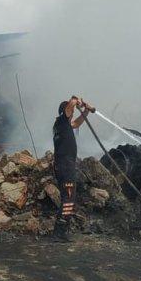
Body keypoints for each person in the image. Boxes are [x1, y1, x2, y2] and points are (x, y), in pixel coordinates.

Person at [52, 95, 94, 237]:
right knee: (69, 198)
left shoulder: (64, 126)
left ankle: (61, 230)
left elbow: (76, 123)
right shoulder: (61, 121)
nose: (73, 114)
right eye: (71, 111)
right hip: (65, 166)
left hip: (65, 165)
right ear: (65, 111)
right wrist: (77, 101)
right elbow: (70, 106)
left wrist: (86, 111)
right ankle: (60, 232)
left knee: (69, 197)